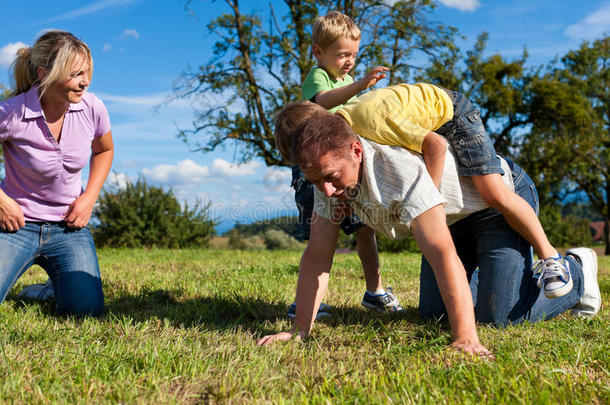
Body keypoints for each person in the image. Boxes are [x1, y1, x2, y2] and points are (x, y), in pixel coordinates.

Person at [258, 102, 601, 355]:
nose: (328, 191)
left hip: (494, 207)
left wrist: (466, 337)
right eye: (317, 182)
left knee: (498, 317)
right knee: (434, 315)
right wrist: (299, 331)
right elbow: (317, 256)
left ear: (356, 150)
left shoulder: (399, 173)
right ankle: (495, 284)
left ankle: (577, 270)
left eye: (331, 178)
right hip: (451, 221)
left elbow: (440, 251)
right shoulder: (327, 185)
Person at [336, 83, 572, 299]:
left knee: (493, 192)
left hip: (454, 113)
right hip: (432, 119)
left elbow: (435, 145)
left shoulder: (372, 123)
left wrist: (429, 199)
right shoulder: (346, 128)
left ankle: (550, 255)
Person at [290, 11, 399, 318]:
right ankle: (308, 300)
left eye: (353, 54)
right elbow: (323, 102)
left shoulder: (348, 80)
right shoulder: (319, 77)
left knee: (366, 228)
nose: (349, 61)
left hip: (345, 167)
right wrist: (360, 86)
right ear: (318, 52)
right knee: (321, 234)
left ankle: (375, 291)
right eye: (341, 55)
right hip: (316, 170)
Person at [0, 31, 113, 315]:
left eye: (86, 72)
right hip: (16, 225)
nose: (84, 81)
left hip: (68, 228)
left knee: (85, 312)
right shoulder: (11, 112)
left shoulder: (93, 108)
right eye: (75, 73)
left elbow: (104, 150)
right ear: (44, 73)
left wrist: (89, 198)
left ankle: (50, 288)